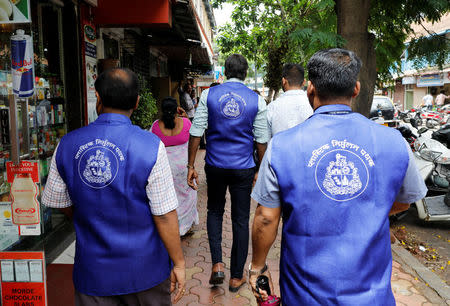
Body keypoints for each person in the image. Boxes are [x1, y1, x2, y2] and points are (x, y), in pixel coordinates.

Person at [249, 48, 427, 305]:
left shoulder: (282, 145)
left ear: (311, 88)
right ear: (355, 89)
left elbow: (266, 218)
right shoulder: (393, 141)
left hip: (304, 297)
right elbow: (403, 202)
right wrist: (364, 211)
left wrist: (258, 267)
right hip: (372, 298)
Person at [42, 68, 186, 305]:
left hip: (93, 274)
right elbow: (164, 214)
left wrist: (90, 216)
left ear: (98, 98)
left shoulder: (66, 144)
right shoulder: (151, 146)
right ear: (137, 102)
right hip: (146, 272)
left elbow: (60, 202)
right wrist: (179, 262)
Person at [187, 54, 269, 292]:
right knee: (241, 219)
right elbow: (261, 140)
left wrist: (191, 165)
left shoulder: (209, 95)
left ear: (226, 71)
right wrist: (260, 172)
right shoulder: (257, 100)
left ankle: (217, 265)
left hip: (214, 165)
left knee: (214, 211)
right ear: (245, 73)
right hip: (244, 168)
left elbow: (196, 131)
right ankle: (235, 277)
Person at [151, 97, 199, 236]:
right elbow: (193, 140)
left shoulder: (155, 125)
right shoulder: (186, 123)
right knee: (187, 195)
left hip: (165, 168)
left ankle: (171, 227)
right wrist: (184, 115)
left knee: (169, 197)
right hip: (183, 168)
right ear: (177, 109)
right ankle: (185, 227)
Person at [266, 63, 313, 137]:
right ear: (304, 82)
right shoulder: (313, 104)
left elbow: (265, 139)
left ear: (284, 81)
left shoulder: (272, 107)